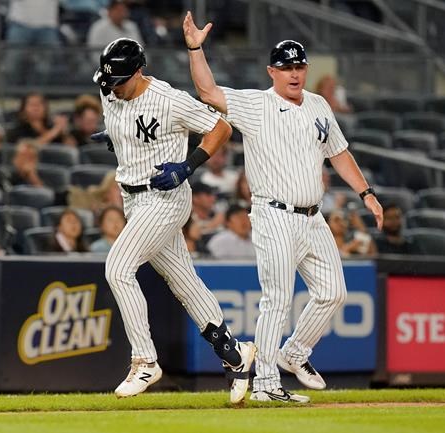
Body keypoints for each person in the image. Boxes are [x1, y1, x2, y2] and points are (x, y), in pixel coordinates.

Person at [161, 13, 383, 403]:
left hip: (313, 217)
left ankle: (294, 354)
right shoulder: (256, 104)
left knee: (333, 292)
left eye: (299, 66)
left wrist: (366, 192)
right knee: (277, 299)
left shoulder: (318, 105)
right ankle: (264, 384)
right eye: (286, 68)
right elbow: (209, 92)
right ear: (272, 71)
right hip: (274, 214)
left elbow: (340, 154)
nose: (294, 74)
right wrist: (196, 48)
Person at [90, 37, 255, 403]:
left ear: (139, 70)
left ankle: (145, 360)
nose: (112, 86)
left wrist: (188, 165)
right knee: (183, 281)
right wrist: (117, 138)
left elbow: (221, 128)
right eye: (109, 79)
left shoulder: (168, 99)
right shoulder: (108, 86)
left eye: (120, 79)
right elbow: (125, 121)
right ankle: (233, 351)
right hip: (132, 199)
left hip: (165, 198)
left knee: (118, 268)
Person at [6, 92, 72, 145]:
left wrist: (64, 132)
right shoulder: (16, 131)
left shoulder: (51, 127)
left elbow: (71, 148)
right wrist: (56, 129)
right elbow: (31, 147)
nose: (36, 108)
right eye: (32, 104)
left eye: (40, 104)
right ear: (23, 109)